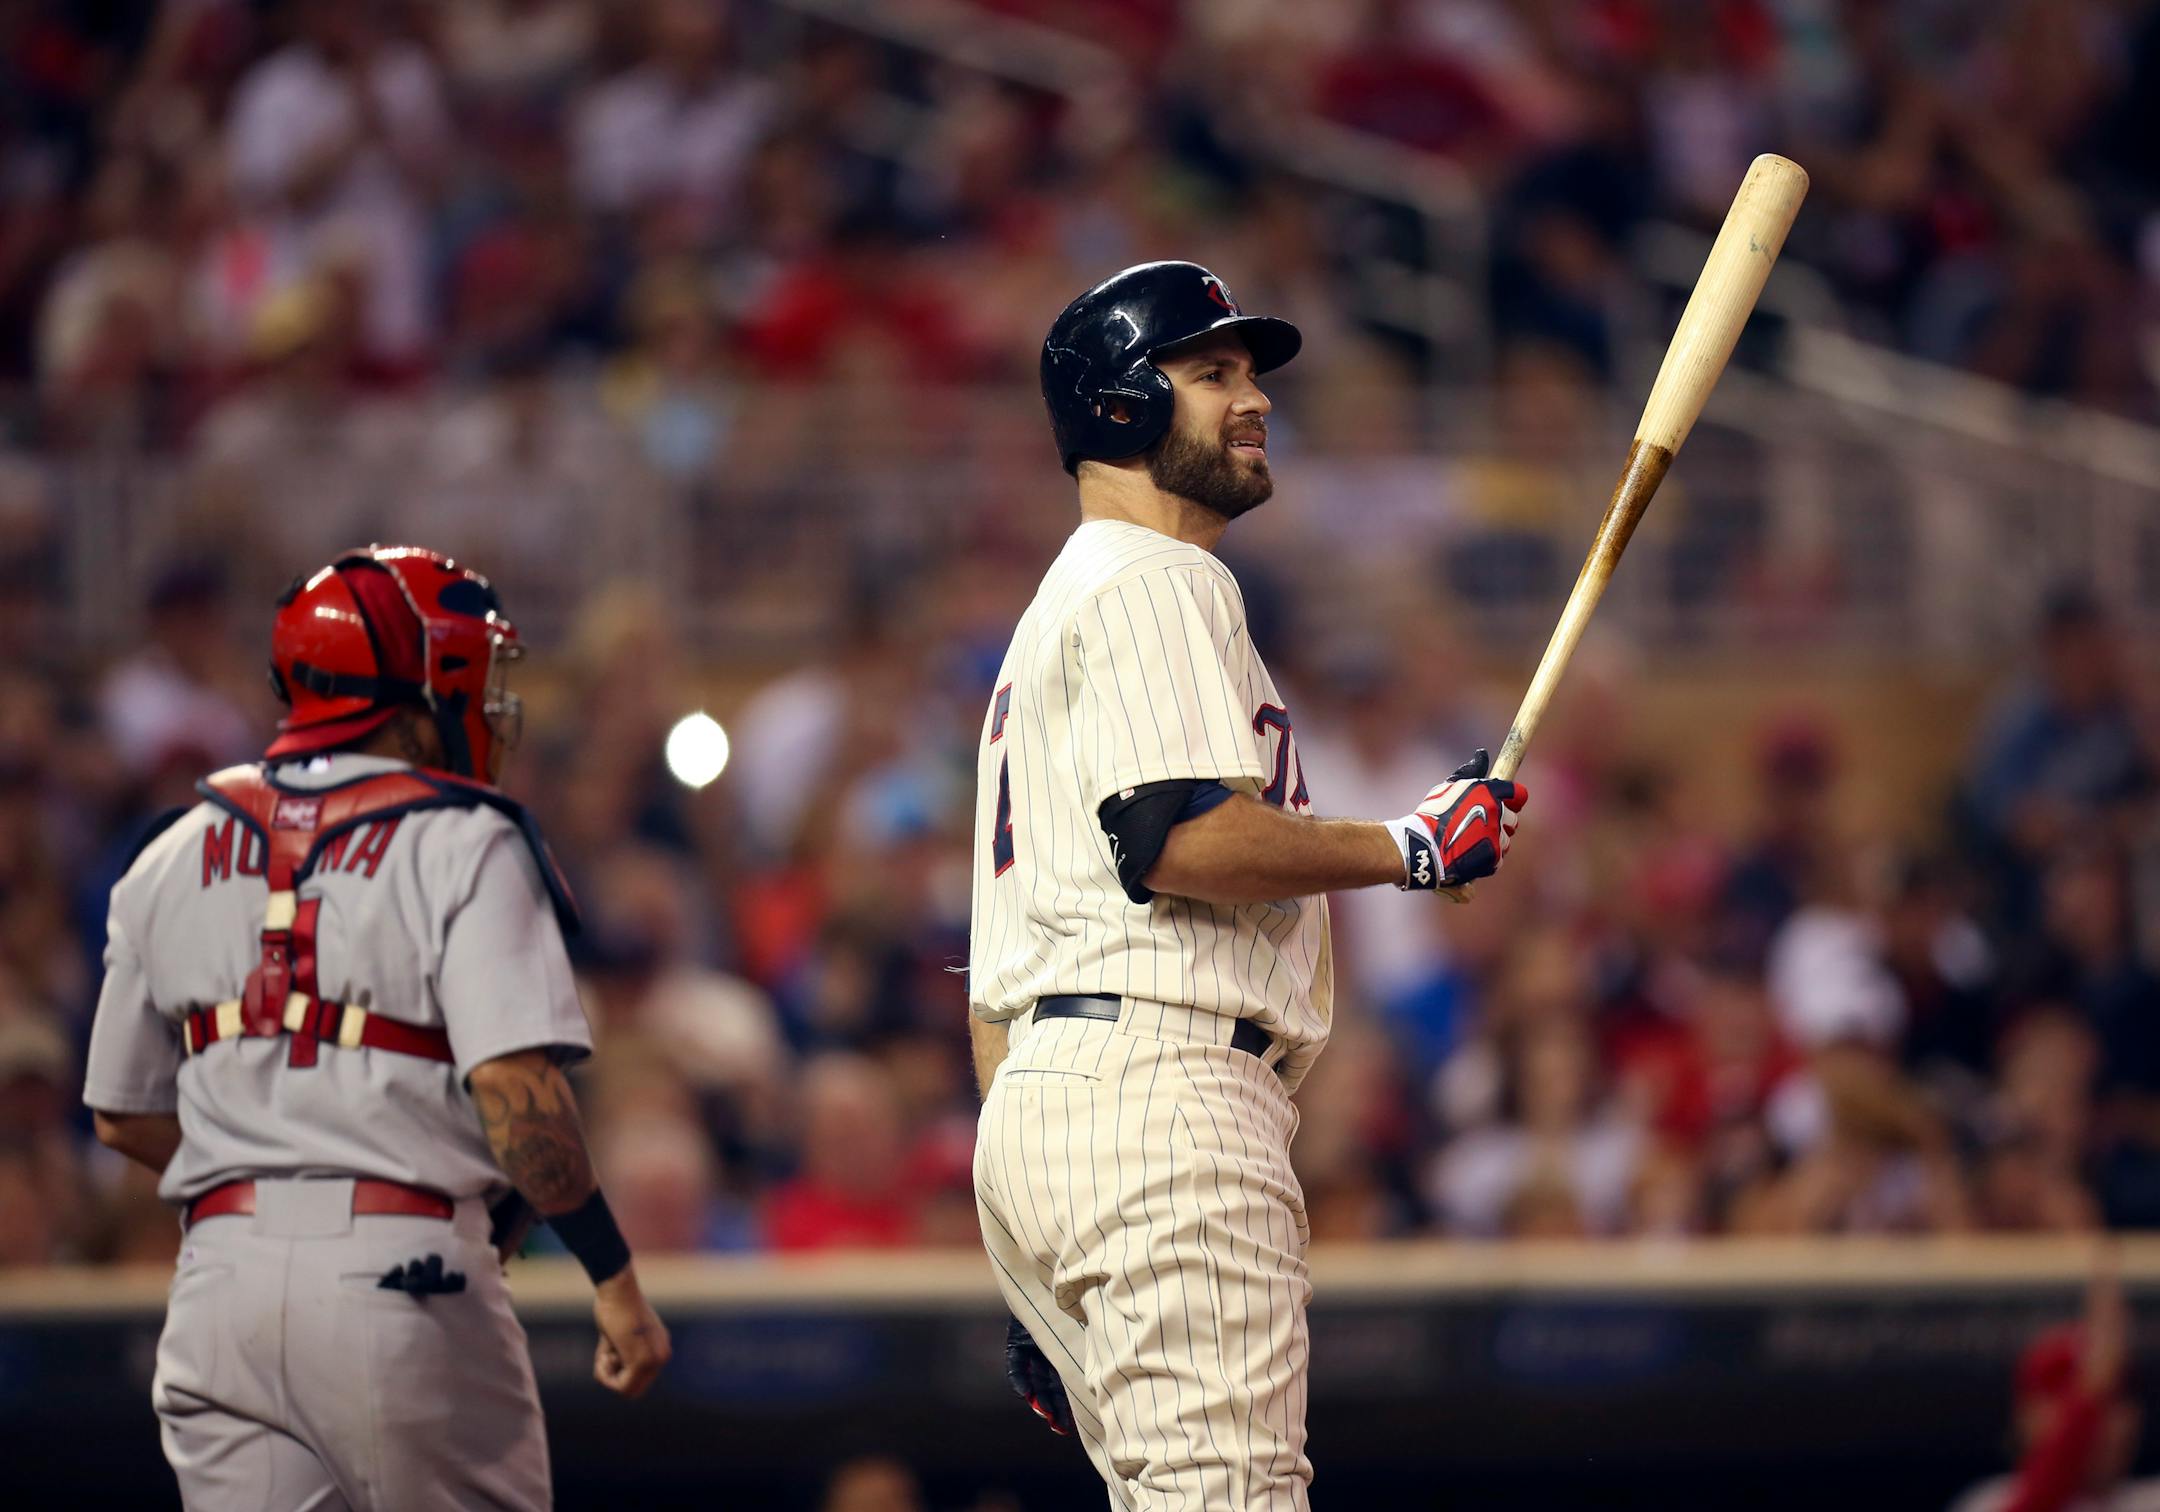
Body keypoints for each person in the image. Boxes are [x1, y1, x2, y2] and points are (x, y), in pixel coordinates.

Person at [968, 262, 1529, 1508]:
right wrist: (1410, 843)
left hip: (1051, 1115)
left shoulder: (1054, 614)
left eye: (1251, 373)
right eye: (1211, 372)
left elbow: (993, 996)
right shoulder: (1158, 576)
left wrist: (1042, 1227)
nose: (1253, 398)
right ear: (1119, 402)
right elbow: (1176, 838)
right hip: (1164, 1101)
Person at [82, 546, 670, 1510]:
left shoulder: (169, 848)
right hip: (405, 1276)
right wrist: (613, 1279)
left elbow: (118, 1116)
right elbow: (517, 1096)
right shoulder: (465, 837)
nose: (490, 701)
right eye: (475, 673)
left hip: (217, 1289)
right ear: (421, 688)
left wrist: (273, 1161)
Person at [1950, 1250, 2160, 1512]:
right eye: (2064, 1394)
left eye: (2113, 1400)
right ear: (2023, 1417)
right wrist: (2089, 1397)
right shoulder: (1989, 1500)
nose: (2100, 1422)